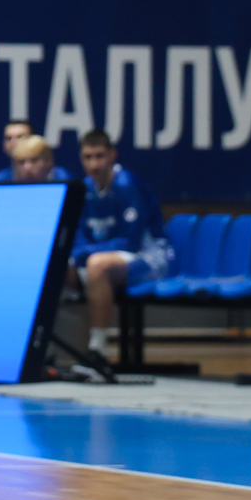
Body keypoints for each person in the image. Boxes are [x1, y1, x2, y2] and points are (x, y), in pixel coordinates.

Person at [70, 129, 175, 367]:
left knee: (97, 266)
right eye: (88, 157)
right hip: (106, 258)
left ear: (112, 155)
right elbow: (78, 236)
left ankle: (97, 351)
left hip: (152, 257)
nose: (94, 164)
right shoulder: (84, 189)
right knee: (58, 268)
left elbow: (130, 242)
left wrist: (87, 254)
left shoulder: (128, 185)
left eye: (99, 156)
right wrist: (80, 254)